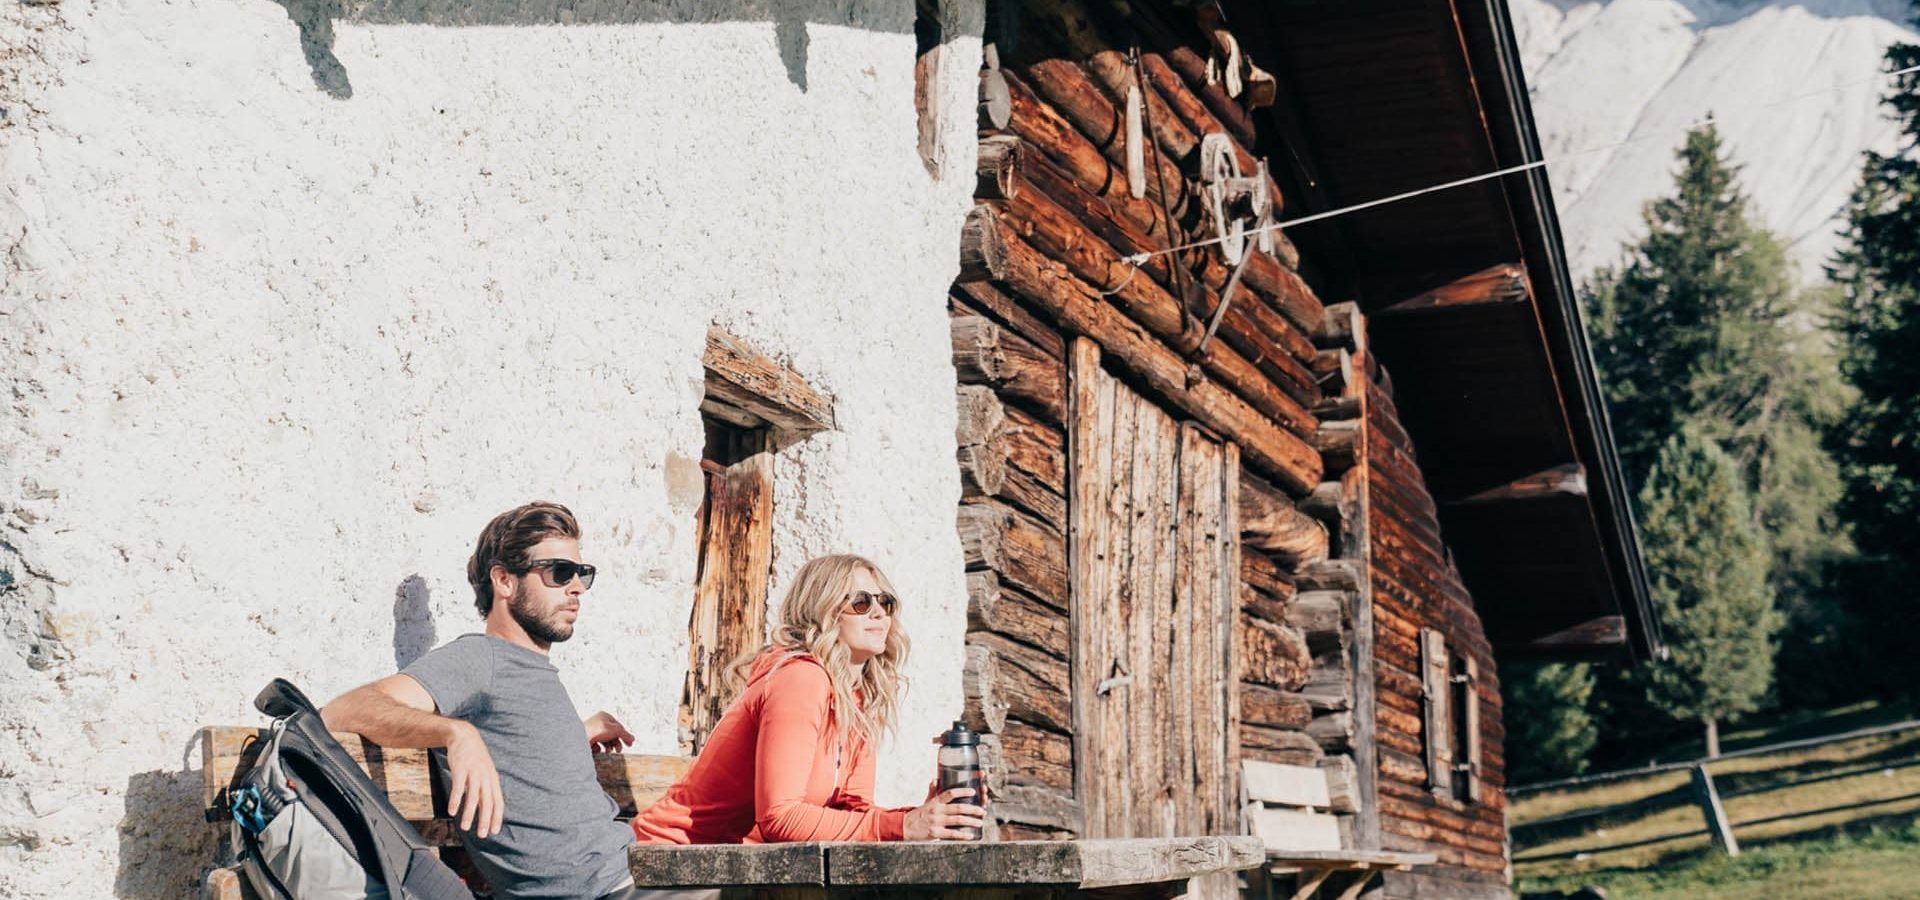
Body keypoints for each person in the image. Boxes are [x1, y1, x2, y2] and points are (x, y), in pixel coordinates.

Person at [321, 501, 645, 900]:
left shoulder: (530, 668)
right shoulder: (481, 658)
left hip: (632, 875)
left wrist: (579, 733)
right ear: (504, 581)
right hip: (599, 892)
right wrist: (456, 734)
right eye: (560, 573)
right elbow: (342, 710)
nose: (576, 587)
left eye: (582, 573)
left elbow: (521, 757)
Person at [632, 554, 985, 844]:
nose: (879, 613)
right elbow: (780, 818)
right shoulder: (800, 678)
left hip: (741, 871)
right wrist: (903, 827)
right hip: (670, 862)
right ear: (823, 610)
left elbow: (853, 815)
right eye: (861, 602)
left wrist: (920, 818)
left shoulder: (857, 699)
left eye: (885, 602)